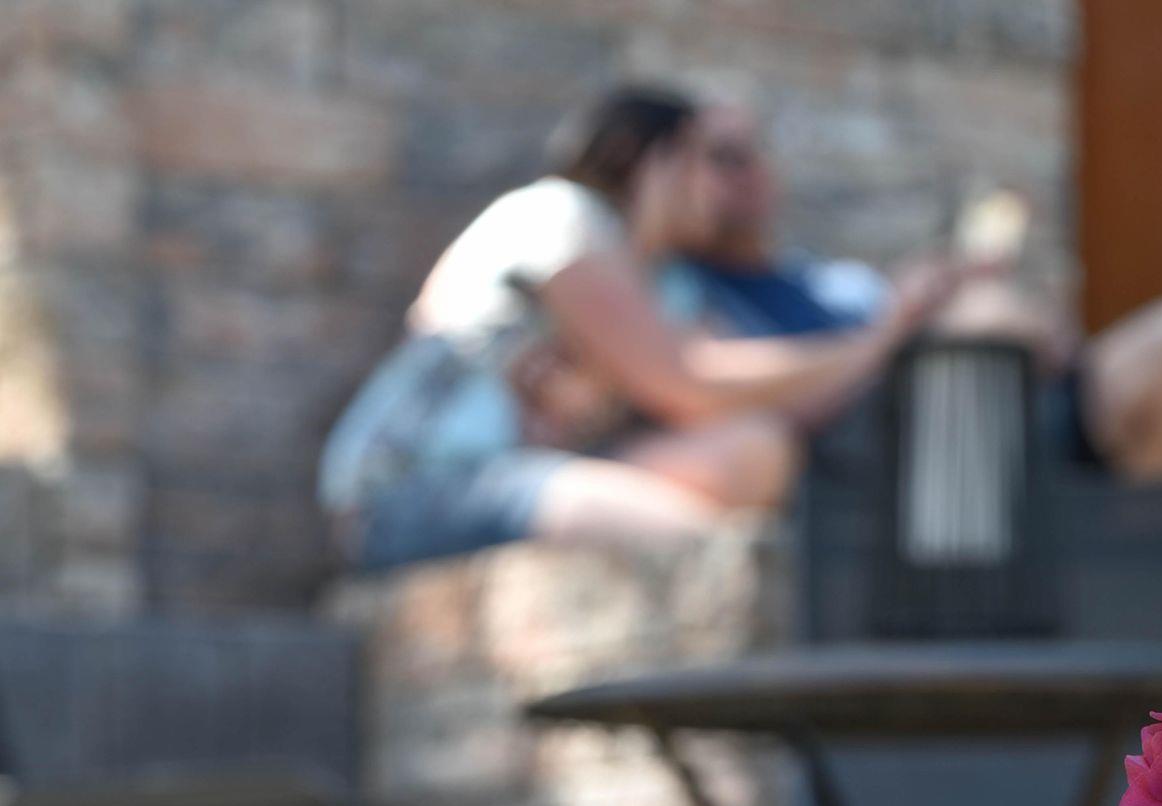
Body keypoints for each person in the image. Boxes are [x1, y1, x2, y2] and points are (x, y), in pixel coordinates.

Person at [319, 87, 967, 568]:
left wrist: (892, 335)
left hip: (539, 472)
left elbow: (764, 393)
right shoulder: (558, 219)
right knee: (702, 552)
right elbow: (688, 383)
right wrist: (880, 338)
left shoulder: (671, 283)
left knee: (755, 450)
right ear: (655, 161)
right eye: (708, 160)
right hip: (415, 491)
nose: (719, 186)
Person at [669, 99, 1162, 483]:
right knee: (978, 316)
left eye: (754, 152)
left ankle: (1147, 564)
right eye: (722, 158)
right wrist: (894, 335)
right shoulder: (680, 294)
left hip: (1029, 418)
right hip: (893, 465)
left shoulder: (837, 281)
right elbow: (715, 394)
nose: (749, 171)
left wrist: (987, 305)